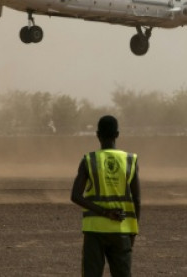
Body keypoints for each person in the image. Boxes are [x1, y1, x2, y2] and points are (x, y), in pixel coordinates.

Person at [71, 115, 141, 277]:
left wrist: (104, 212)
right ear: (117, 134)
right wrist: (133, 232)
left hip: (94, 231)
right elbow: (137, 200)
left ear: (98, 135)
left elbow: (75, 196)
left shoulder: (89, 160)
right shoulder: (130, 160)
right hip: (121, 229)